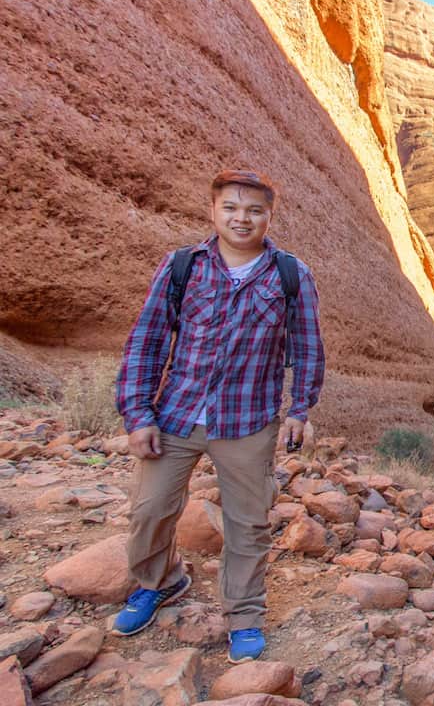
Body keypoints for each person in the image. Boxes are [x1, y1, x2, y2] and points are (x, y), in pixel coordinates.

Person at [113, 169, 325, 663]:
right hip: (176, 412)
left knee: (247, 523)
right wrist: (137, 414)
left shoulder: (291, 274)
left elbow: (308, 346)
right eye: (231, 207)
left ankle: (244, 615)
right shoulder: (182, 265)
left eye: (253, 210)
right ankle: (159, 582)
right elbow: (148, 339)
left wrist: (301, 408)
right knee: (149, 509)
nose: (241, 218)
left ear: (269, 216)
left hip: (248, 419)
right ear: (213, 210)